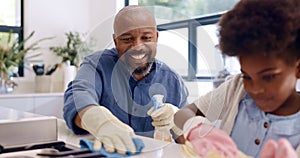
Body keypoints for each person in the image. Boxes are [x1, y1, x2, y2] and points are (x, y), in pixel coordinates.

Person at [174, 0, 300, 157]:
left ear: (297, 68)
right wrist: (198, 128)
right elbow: (183, 114)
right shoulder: (235, 89)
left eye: (268, 77)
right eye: (247, 76)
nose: (255, 89)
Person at [63, 5, 188, 155]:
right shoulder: (97, 64)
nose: (137, 46)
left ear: (156, 37)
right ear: (115, 41)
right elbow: (78, 95)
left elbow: (191, 144)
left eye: (146, 38)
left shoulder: (173, 81)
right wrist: (100, 122)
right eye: (127, 39)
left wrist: (178, 122)